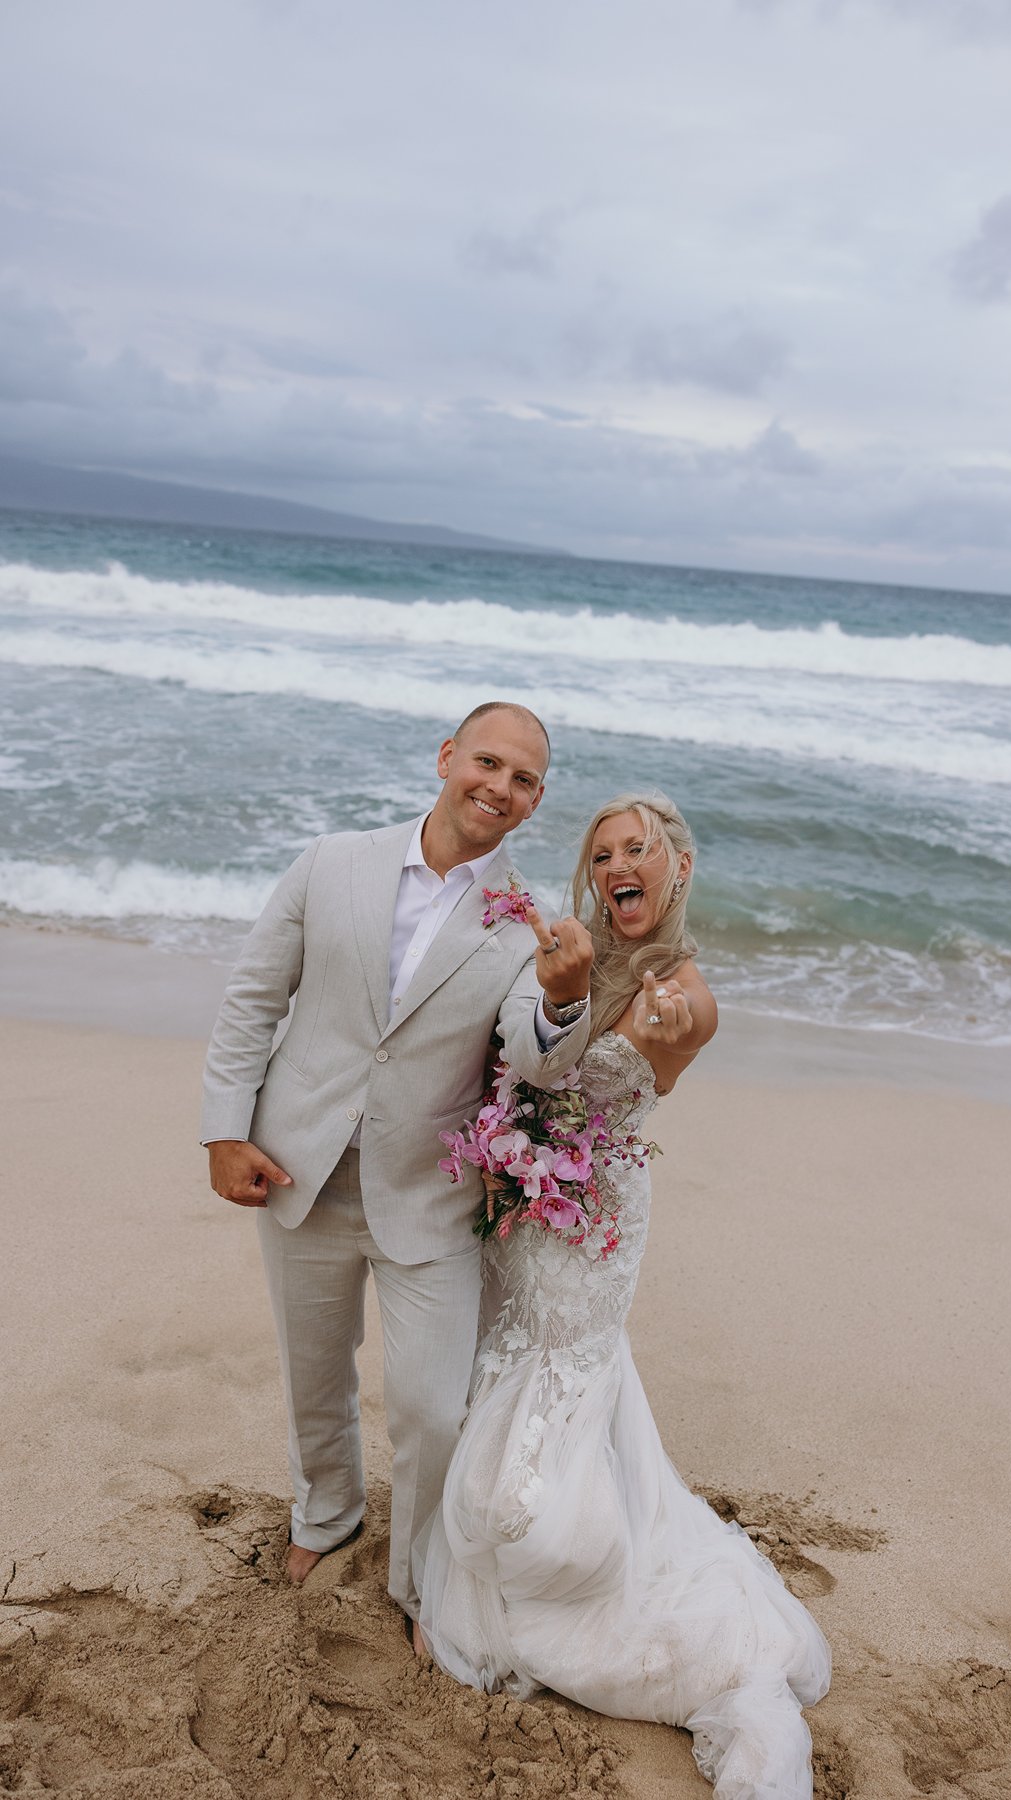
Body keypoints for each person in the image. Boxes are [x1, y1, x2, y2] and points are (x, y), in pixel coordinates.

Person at [414, 791, 832, 1800]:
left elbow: (671, 1045)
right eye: (602, 855)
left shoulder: (681, 990)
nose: (616, 867)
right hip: (520, 1203)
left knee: (564, 1362)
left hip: (595, 1219)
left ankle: (557, 1549)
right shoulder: (565, 952)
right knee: (501, 1356)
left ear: (677, 867)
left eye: (637, 850)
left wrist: (671, 1027)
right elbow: (517, 1053)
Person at [200, 702, 593, 1615]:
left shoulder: (530, 923)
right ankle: (326, 1515)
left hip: (428, 1195)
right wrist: (225, 1129)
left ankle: (421, 1579)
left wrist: (564, 1002)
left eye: (523, 779)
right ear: (449, 756)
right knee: (314, 1370)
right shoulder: (331, 861)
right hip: (298, 1165)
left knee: (429, 1406)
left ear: (536, 803)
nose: (499, 786)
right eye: (488, 762)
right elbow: (252, 1002)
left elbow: (530, 1059)